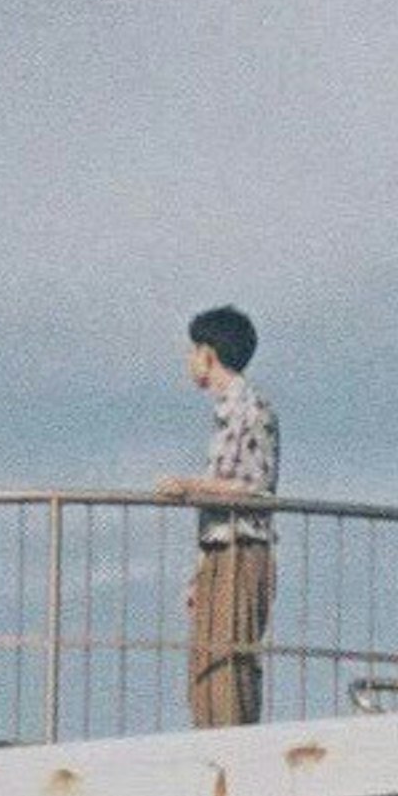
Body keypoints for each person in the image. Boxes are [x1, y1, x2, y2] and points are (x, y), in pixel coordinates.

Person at [153, 304, 278, 727]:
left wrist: (190, 485)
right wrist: (199, 570)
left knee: (229, 660)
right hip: (220, 550)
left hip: (243, 549)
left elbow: (255, 487)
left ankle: (231, 755)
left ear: (209, 353)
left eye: (194, 351)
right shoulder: (228, 411)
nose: (190, 361)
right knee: (206, 662)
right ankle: (211, 747)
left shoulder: (251, 408)